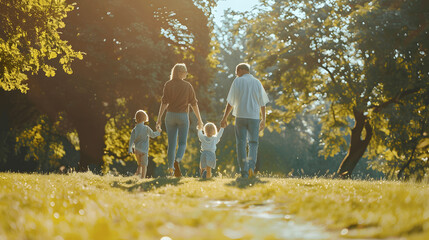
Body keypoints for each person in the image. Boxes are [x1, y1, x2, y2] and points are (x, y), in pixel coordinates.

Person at [220, 63, 269, 179]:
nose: (236, 74)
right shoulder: (257, 82)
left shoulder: (237, 81)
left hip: (240, 117)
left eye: (236, 72)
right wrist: (264, 119)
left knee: (241, 144)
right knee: (253, 143)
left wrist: (224, 117)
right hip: (254, 118)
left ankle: (244, 171)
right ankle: (251, 168)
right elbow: (262, 103)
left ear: (241, 70)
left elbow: (230, 103)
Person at [156, 63, 204, 177]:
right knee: (182, 143)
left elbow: (164, 103)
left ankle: (171, 169)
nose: (186, 73)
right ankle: (177, 161)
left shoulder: (168, 84)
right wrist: (199, 120)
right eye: (185, 71)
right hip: (183, 116)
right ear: (179, 72)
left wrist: (159, 119)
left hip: (170, 116)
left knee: (171, 144)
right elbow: (194, 104)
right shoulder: (188, 86)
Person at [128, 110, 161, 178]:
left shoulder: (134, 129)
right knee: (144, 165)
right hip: (144, 151)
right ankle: (142, 178)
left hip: (137, 150)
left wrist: (130, 149)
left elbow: (131, 140)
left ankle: (137, 175)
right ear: (144, 118)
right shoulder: (146, 128)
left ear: (136, 119)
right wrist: (158, 132)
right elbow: (153, 135)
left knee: (139, 164)